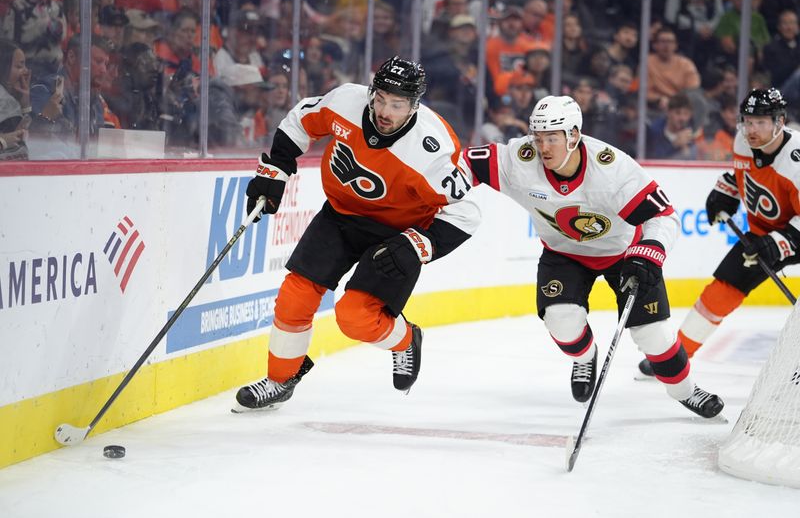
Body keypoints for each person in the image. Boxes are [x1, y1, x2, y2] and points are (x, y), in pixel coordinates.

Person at [233, 56, 481, 411]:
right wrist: (277, 169)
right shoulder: (345, 101)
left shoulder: (433, 151)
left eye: (397, 105)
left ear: (414, 106)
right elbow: (301, 120)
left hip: (395, 236)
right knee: (294, 296)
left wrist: (417, 245)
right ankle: (280, 380)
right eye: (380, 99)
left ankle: (406, 340)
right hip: (341, 215)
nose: (384, 111)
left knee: (355, 318)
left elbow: (466, 213)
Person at [462, 95, 724, 419]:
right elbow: (465, 163)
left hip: (623, 253)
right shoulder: (521, 159)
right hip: (564, 254)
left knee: (653, 335)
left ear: (573, 135)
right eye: (538, 138)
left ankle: (686, 391)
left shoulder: (611, 169)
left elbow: (663, 215)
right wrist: (443, 189)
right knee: (561, 321)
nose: (543, 148)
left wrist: (649, 253)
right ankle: (585, 359)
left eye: (552, 138)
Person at [639, 88, 800, 376]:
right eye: (748, 121)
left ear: (779, 122)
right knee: (724, 287)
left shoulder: (796, 161)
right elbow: (743, 175)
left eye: (761, 122)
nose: (752, 129)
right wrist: (726, 191)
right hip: (763, 233)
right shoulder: (743, 141)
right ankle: (676, 357)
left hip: (791, 233)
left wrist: (777, 243)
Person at [0, 38, 31, 160]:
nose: (26, 71)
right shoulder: (6, 103)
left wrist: (25, 105)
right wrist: (2, 142)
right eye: (19, 66)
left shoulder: (11, 101)